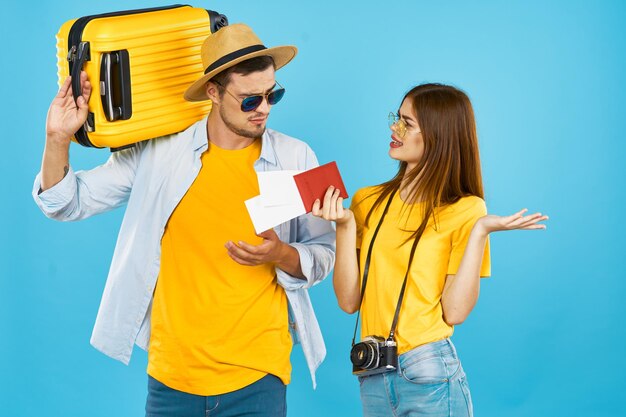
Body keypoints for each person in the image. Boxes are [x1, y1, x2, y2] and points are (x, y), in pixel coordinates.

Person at [32, 23, 335, 417]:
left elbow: (325, 252)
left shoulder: (297, 157)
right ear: (213, 92)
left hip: (258, 376)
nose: (263, 109)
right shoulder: (158, 152)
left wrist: (280, 254)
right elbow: (65, 203)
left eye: (272, 95)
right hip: (171, 380)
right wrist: (57, 138)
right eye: (249, 100)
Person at [312, 83, 548, 416]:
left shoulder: (466, 210)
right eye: (397, 118)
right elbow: (349, 301)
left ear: (438, 136)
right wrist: (345, 226)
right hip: (372, 373)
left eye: (407, 124)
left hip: (429, 371)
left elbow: (455, 313)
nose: (395, 129)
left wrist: (480, 232)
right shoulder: (368, 201)